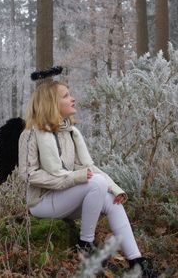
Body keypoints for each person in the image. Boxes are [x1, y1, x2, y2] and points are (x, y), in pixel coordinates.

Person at [18, 80, 157, 277]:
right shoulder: (30, 133)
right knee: (95, 182)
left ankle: (136, 261)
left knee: (112, 200)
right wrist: (72, 179)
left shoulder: (69, 133)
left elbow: (87, 168)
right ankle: (86, 245)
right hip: (42, 202)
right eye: (66, 95)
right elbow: (28, 174)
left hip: (66, 199)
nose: (72, 98)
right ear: (51, 102)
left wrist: (115, 188)